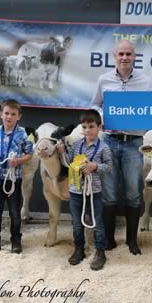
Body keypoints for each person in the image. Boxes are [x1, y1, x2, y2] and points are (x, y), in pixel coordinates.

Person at [90, 40, 152, 255]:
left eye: (128, 54)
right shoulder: (104, 79)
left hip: (134, 144)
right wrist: (103, 116)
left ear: (134, 56)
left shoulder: (146, 82)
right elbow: (95, 104)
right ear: (114, 56)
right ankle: (109, 240)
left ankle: (132, 241)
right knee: (108, 194)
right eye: (121, 54)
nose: (125, 57)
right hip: (109, 142)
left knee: (134, 193)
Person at [58, 109, 113, 270]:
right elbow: (68, 163)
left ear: (99, 127)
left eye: (91, 126)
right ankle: (78, 249)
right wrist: (63, 153)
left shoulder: (104, 148)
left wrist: (94, 166)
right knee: (76, 223)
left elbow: (109, 167)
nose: (87, 130)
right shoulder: (76, 146)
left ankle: (100, 251)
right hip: (75, 191)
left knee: (97, 222)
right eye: (84, 127)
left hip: (93, 191)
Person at [0, 99, 33, 255]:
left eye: (13, 114)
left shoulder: (23, 134)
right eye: (6, 113)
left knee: (15, 214)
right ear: (1, 115)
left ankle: (16, 242)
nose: (9, 117)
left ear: (19, 116)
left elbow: (30, 153)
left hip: (13, 179)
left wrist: (18, 161)